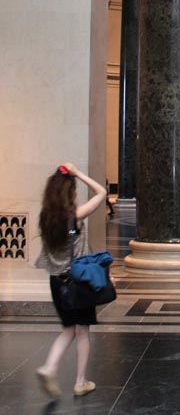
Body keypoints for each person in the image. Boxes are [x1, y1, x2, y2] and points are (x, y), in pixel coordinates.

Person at [34, 162, 107, 399]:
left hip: (57, 283)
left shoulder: (45, 219)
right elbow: (102, 193)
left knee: (68, 329)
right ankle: (80, 381)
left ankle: (50, 366)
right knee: (82, 332)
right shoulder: (75, 216)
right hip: (77, 282)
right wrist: (77, 173)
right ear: (71, 191)